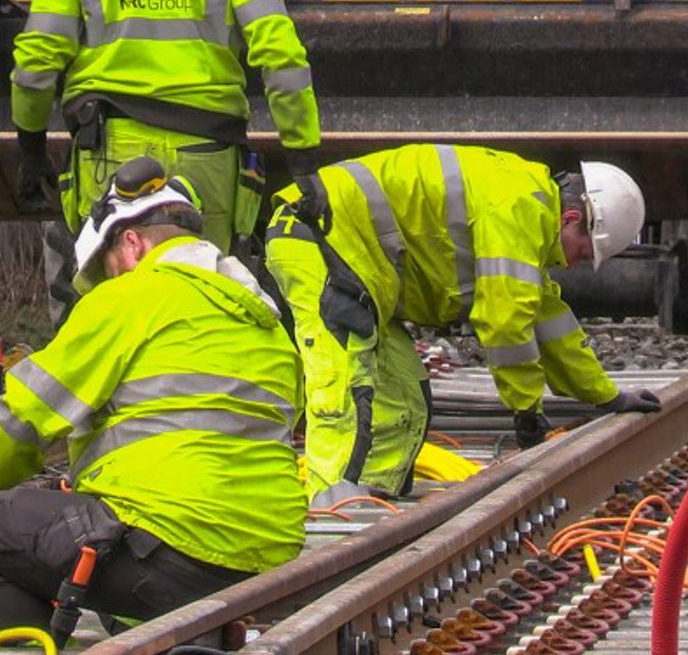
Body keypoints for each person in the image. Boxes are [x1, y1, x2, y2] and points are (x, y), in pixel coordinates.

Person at [0, 157, 305, 636]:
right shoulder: (264, 320)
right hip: (266, 556)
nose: (106, 281)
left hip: (173, 550)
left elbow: (18, 423)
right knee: (98, 557)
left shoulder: (130, 297)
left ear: (131, 241)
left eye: (107, 268)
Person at [10, 0, 322, 321]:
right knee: (206, 312)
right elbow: (280, 54)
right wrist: (302, 158)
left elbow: (36, 64)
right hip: (210, 163)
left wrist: (30, 151)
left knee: (105, 324)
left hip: (108, 159)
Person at [265, 145, 657, 508]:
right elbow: (505, 324)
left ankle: (371, 504)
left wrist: (607, 397)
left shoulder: (525, 206)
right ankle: (332, 513)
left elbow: (550, 324)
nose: (576, 264)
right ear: (571, 219)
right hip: (317, 234)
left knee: (403, 398)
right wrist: (525, 412)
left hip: (355, 259)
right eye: (583, 251)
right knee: (346, 387)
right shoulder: (518, 207)